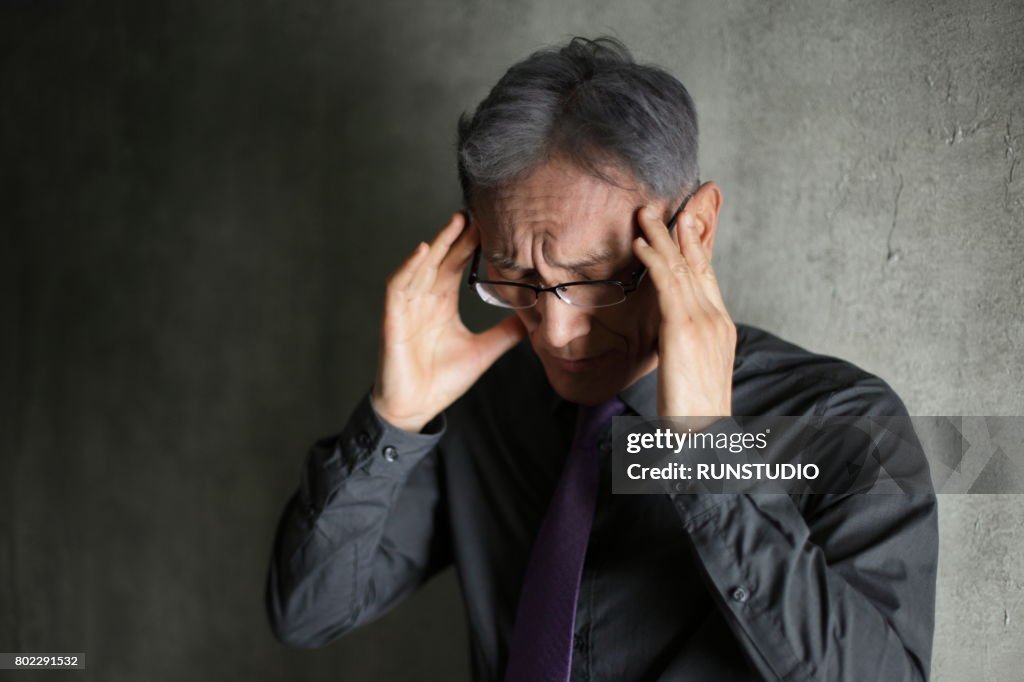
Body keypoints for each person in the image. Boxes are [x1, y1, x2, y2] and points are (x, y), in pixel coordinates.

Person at [264, 36, 938, 681]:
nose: (555, 329)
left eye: (592, 276)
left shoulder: (850, 426)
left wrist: (705, 449)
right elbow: (307, 613)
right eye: (514, 277)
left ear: (693, 229)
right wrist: (394, 420)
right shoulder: (487, 408)